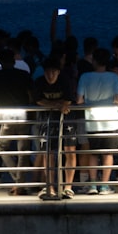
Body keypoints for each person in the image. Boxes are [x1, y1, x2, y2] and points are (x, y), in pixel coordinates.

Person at [0, 48, 34, 194]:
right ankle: (20, 183)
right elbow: (31, 97)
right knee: (23, 152)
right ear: (13, 62)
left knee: (2, 147)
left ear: (0, 62)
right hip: (23, 115)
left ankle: (16, 179)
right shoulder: (24, 75)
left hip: (6, 116)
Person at [76, 47, 118, 195]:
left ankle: (93, 185)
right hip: (110, 120)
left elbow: (79, 100)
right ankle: (104, 186)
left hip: (92, 120)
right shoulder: (113, 77)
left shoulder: (85, 76)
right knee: (108, 154)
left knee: (93, 154)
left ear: (94, 61)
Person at [33, 56, 78, 198]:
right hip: (47, 119)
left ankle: (68, 187)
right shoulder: (39, 82)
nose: (50, 75)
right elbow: (38, 100)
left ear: (58, 72)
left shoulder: (65, 81)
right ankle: (50, 186)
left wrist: (55, 104)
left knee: (69, 150)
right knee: (48, 152)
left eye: (53, 72)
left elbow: (69, 100)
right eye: (47, 72)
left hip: (67, 119)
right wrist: (57, 105)